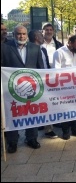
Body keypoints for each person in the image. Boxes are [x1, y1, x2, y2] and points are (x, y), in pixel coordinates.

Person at [2, 25, 44, 153]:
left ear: (27, 35)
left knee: (32, 112)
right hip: (10, 89)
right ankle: (12, 142)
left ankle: (31, 138)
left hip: (31, 89)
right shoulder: (4, 47)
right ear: (14, 34)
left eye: (24, 34)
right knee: (12, 114)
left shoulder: (35, 48)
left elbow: (40, 68)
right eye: (19, 34)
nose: (21, 36)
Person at [53, 34, 76, 140]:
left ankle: (75, 129)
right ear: (70, 43)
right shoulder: (59, 53)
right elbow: (55, 70)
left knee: (75, 108)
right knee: (65, 110)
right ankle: (65, 131)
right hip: (64, 88)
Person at [28, 30, 58, 139]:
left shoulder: (43, 49)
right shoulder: (29, 50)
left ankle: (48, 129)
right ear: (36, 37)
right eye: (40, 35)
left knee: (47, 106)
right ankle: (33, 133)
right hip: (35, 83)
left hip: (46, 81)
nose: (43, 37)